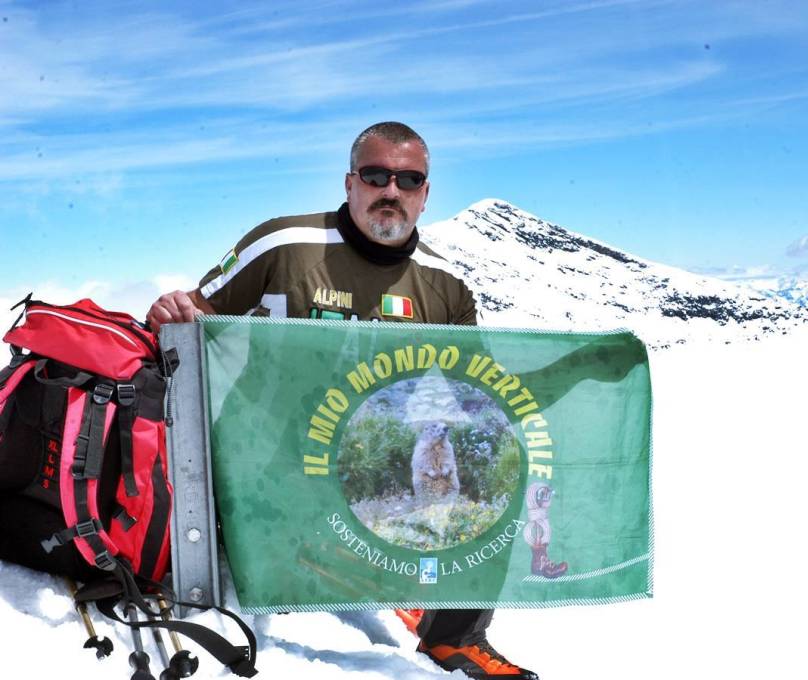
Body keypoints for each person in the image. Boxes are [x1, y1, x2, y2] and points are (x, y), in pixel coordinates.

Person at [147, 122, 538, 680]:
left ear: (425, 194)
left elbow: (469, 390)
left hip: (372, 466)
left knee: (492, 461)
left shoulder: (445, 287)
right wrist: (171, 315)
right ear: (350, 182)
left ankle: (454, 635)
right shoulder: (284, 246)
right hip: (266, 465)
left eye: (409, 180)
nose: (391, 191)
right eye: (376, 175)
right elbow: (195, 318)